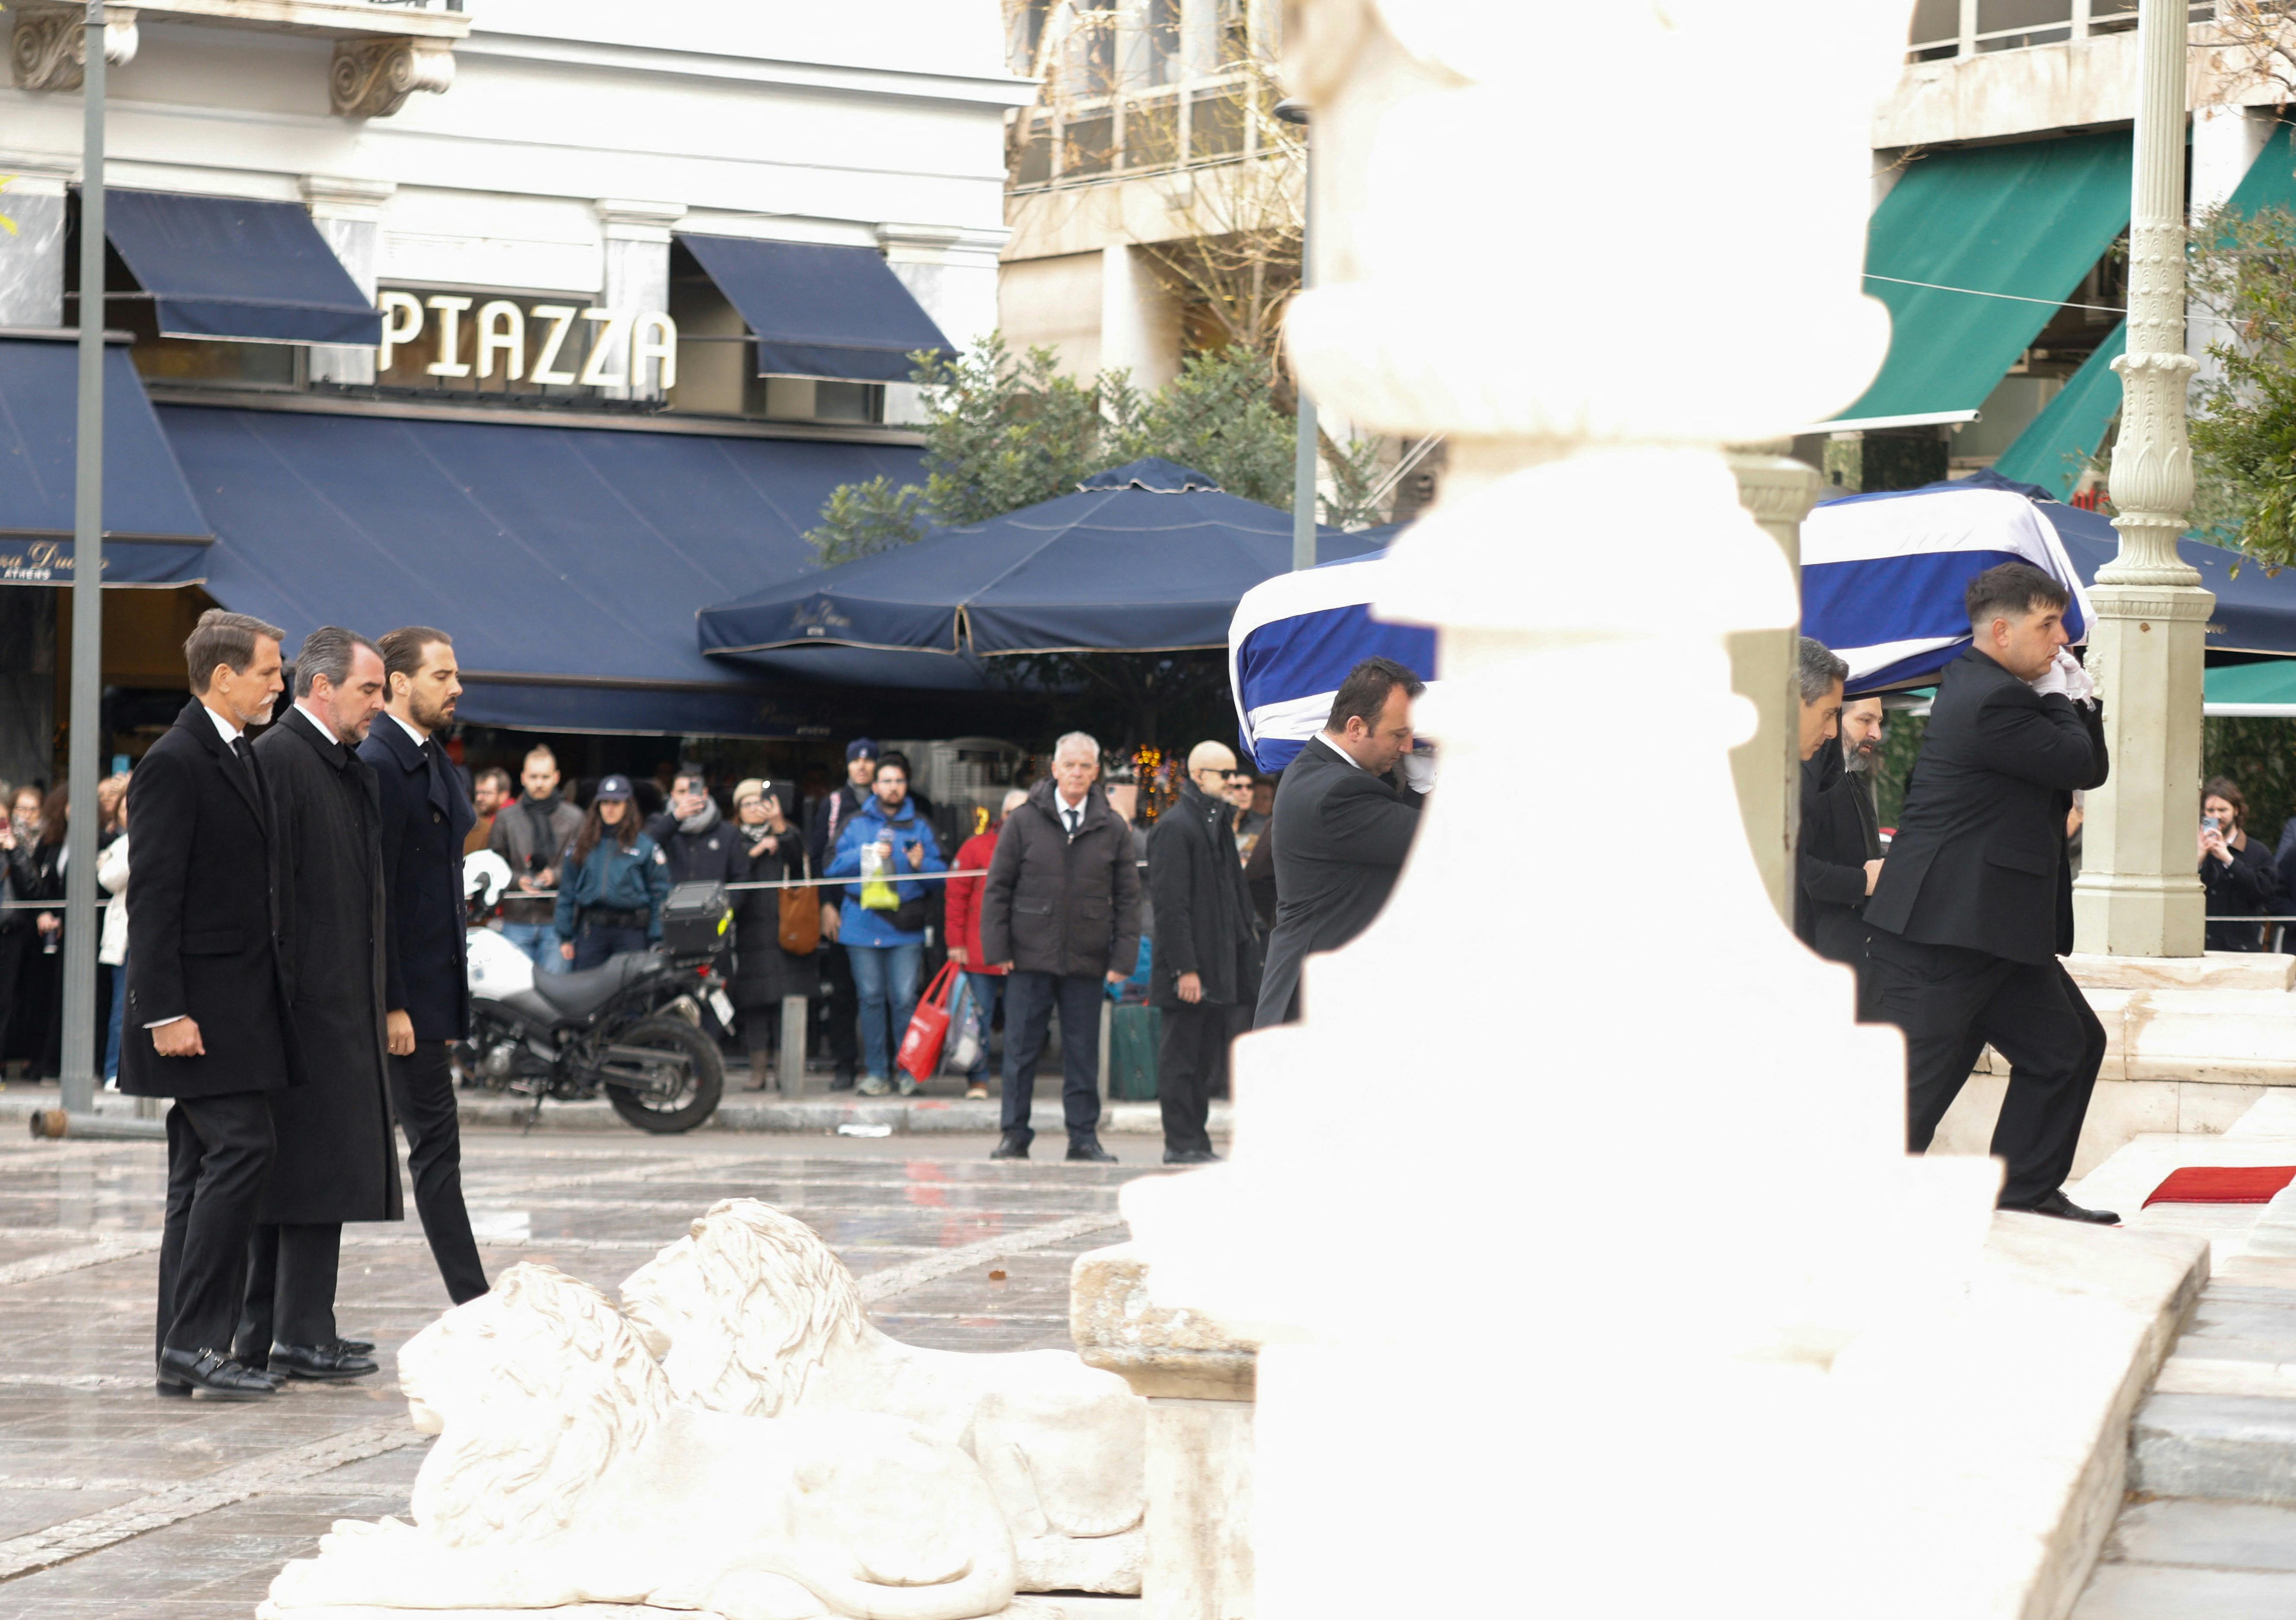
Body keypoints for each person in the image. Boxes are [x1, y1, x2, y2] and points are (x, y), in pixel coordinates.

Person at [1864, 563, 2115, 1225]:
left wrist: (2071, 697)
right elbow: (2079, 764)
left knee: (2066, 1047)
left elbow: (2087, 762)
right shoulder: (1992, 698)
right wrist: (2069, 698)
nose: (2061, 640)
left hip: (1991, 927)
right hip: (1944, 930)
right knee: (1913, 1087)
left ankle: (2023, 1191)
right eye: (2047, 624)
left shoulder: (2001, 688)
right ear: (2000, 631)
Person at [121, 609, 297, 1400]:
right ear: (223, 676)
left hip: (234, 1007)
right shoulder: (174, 760)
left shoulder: (236, 750)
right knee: (243, 1150)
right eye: (268, 669)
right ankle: (195, 1342)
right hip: (196, 1013)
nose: (279, 681)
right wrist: (164, 1011)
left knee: (198, 1174)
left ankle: (178, 1348)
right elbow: (154, 896)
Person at [235, 627, 400, 1384]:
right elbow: (263, 898)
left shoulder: (344, 768)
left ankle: (300, 1325)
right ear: (322, 687)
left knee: (320, 1173)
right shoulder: (277, 760)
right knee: (300, 1174)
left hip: (340, 1007)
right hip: (302, 1012)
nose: (380, 702)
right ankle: (286, 1332)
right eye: (369, 689)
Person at [361, 625, 488, 1310]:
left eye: (456, 673)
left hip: (430, 995)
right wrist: (392, 1003)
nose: (457, 686)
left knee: (430, 1152)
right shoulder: (381, 763)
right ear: (399, 684)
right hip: (400, 1002)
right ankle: (475, 1303)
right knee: (431, 1153)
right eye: (442, 675)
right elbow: (374, 899)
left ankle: (293, 1325)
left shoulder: (432, 756)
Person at [978, 732, 1141, 1162]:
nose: (1076, 772)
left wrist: (1122, 957)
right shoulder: (1023, 820)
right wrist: (998, 948)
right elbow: (997, 888)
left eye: (1085, 766)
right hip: (1028, 954)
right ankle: (1014, 1134)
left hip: (1086, 957)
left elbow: (1128, 898)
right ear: (1053, 769)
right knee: (1019, 1050)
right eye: (1068, 764)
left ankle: (1083, 1137)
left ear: (1095, 772)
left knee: (1083, 1053)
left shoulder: (1111, 826)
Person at [1253, 657, 1429, 1029]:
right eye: (1398, 735)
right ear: (1355, 727)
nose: (1407, 747)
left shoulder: (1313, 771)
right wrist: (1426, 786)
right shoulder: (1339, 791)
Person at [1148, 742, 1261, 1165]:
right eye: (1224, 774)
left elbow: (1232, 898)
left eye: (1234, 774)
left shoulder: (1214, 822)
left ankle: (1194, 1139)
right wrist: (1185, 968)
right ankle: (1180, 1140)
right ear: (1198, 776)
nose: (1233, 782)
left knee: (1202, 1059)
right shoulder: (1177, 827)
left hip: (1219, 963)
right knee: (1181, 1058)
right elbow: (1170, 905)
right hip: (1191, 968)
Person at [825, 752, 945, 1098]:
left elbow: (944, 881)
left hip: (905, 925)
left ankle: (908, 1071)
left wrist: (923, 865)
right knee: (871, 998)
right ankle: (877, 1072)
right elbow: (830, 868)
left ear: (906, 786)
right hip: (862, 924)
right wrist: (866, 851)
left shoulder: (921, 824)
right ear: (874, 786)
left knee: (905, 999)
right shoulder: (855, 823)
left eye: (899, 781)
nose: (893, 788)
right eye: (887, 781)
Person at [1792, 643, 1883, 1017]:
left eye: (1879, 721)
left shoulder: (1849, 781)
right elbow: (1799, 870)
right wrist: (1861, 882)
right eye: (1864, 720)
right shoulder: (1806, 779)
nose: (1876, 733)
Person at [727, 778, 817, 1088]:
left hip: (786, 931)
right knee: (754, 1006)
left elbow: (802, 863)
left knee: (785, 1002)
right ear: (738, 810)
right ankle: (757, 1073)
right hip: (750, 933)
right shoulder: (731, 839)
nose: (754, 809)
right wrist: (754, 852)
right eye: (747, 804)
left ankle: (785, 1071)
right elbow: (729, 877)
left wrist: (779, 828)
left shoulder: (787, 833)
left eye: (760, 802)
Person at [807, 738, 880, 1091]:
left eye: (869, 761)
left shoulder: (890, 802)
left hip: (884, 911)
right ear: (848, 765)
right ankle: (844, 1064)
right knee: (843, 992)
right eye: (856, 761)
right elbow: (818, 856)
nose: (863, 766)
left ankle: (883, 1065)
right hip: (843, 910)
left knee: (882, 993)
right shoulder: (834, 804)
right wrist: (825, 904)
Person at [946, 790, 1025, 1100]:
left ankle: (1015, 1081)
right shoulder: (975, 847)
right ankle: (977, 1078)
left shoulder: (1043, 846)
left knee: (1021, 1020)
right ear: (1002, 816)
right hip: (979, 949)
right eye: (1013, 813)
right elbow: (955, 897)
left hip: (1025, 951)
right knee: (977, 1017)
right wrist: (955, 943)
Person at [555, 775, 669, 966]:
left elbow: (661, 893)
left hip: (632, 932)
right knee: (589, 991)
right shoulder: (583, 845)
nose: (610, 808)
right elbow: (567, 892)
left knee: (631, 993)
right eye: (605, 802)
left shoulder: (645, 847)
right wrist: (565, 935)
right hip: (592, 931)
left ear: (628, 806)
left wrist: (657, 937)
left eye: (616, 803)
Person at [488, 746, 582, 976]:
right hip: (517, 918)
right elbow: (493, 865)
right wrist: (519, 880)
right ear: (523, 778)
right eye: (533, 777)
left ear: (557, 778)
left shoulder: (574, 818)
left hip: (558, 921)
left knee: (556, 997)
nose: (539, 783)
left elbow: (584, 864)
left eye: (545, 777)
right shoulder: (506, 818)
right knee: (516, 995)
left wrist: (556, 876)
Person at [0, 780, 67, 1077]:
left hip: (15, 929)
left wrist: (13, 850)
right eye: (20, 809)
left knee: (11, 1000)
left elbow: (32, 888)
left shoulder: (29, 845)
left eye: (32, 809)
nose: (25, 815)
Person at [2198, 777, 2282, 953]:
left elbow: (2264, 893)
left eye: (2223, 810)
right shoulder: (2193, 849)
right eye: (2210, 810)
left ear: (2236, 811)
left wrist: (2229, 859)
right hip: (2200, 948)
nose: (2216, 816)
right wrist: (2198, 860)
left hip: (2243, 950)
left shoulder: (2258, 851)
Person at [646, 767, 744, 886]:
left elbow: (740, 876)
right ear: (672, 795)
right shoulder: (661, 823)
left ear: (705, 793)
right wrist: (676, 818)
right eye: (682, 792)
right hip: (671, 903)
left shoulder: (728, 832)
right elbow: (646, 847)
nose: (688, 797)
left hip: (713, 903)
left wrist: (728, 904)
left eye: (693, 791)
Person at [97, 819, 130, 1087]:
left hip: (156, 933)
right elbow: (108, 879)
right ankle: (113, 1070)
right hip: (126, 940)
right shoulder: (122, 845)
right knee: (121, 1007)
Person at [465, 768, 509, 856]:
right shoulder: (472, 820)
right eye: (478, 793)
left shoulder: (513, 822)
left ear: (503, 795)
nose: (479, 798)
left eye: (487, 793)